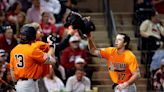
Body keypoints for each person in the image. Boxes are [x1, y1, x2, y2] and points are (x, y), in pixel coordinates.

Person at [9, 25, 56, 92]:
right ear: (32, 36)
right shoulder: (32, 49)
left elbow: (12, 70)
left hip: (21, 84)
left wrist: (17, 84)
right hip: (29, 85)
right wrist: (51, 45)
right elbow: (50, 60)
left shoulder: (14, 50)